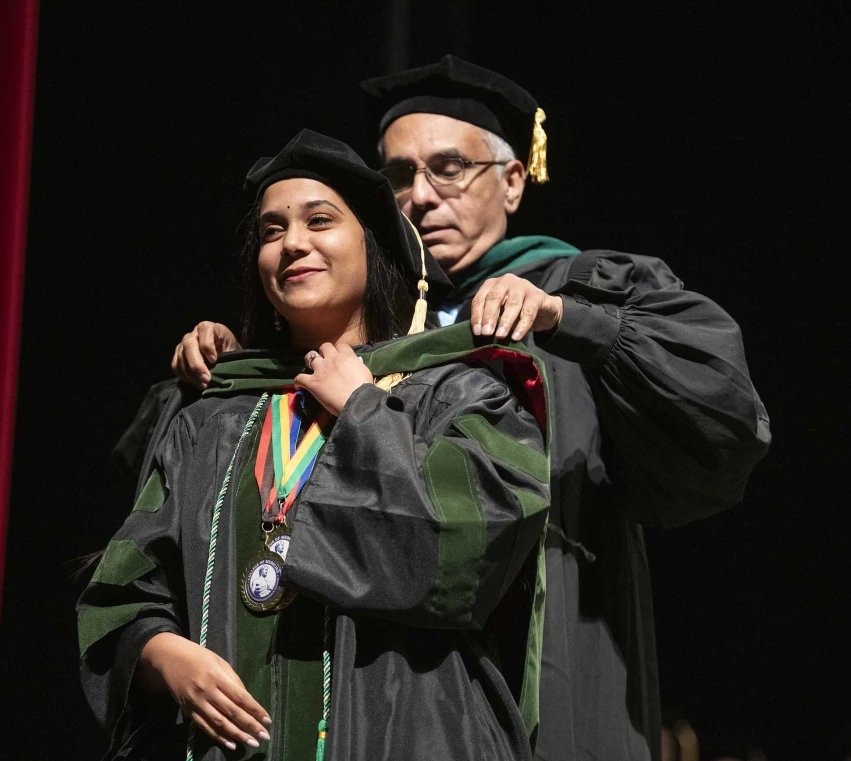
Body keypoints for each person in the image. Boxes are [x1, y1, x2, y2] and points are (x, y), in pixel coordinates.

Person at [155, 56, 772, 761]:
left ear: (513, 179)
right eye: (396, 176)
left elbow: (722, 412)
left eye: (449, 169)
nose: (420, 196)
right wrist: (244, 359)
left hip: (555, 622)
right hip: (391, 688)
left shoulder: (571, 286)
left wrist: (566, 318)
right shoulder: (381, 326)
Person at [80, 129, 557, 760]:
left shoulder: (459, 396)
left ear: (376, 247)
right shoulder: (214, 417)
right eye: (272, 231)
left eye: (320, 220)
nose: (293, 243)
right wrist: (161, 654)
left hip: (415, 736)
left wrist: (363, 410)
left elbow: (471, 555)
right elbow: (125, 592)